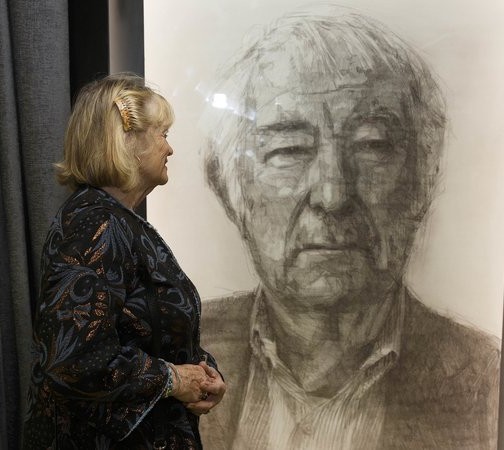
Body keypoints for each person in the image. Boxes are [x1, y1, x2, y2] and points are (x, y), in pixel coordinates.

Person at [198, 9, 500, 450]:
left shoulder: (487, 381)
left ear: (423, 179)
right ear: (228, 186)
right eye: (290, 149)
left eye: (372, 145)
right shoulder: (174, 353)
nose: (332, 194)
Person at [22, 73, 226, 449]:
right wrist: (176, 380)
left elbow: (144, 330)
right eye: (163, 134)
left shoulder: (115, 221)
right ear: (127, 141)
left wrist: (201, 371)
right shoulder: (95, 223)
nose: (170, 149)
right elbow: (75, 360)